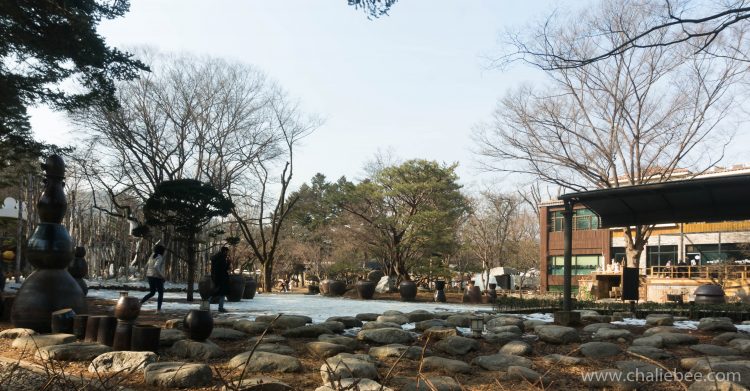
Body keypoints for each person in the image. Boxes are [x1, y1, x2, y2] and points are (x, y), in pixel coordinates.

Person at [140, 244, 166, 312]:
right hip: (156, 277)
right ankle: (158, 310)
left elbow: (146, 265)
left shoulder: (152, 255)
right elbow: (156, 267)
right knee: (160, 293)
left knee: (152, 292)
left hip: (149, 276)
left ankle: (140, 303)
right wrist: (162, 276)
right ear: (162, 251)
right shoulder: (159, 257)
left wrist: (146, 273)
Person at [210, 247, 230, 313]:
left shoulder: (216, 258)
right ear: (224, 251)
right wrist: (228, 263)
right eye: (227, 252)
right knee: (221, 293)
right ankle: (220, 308)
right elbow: (223, 268)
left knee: (216, 293)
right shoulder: (222, 258)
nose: (227, 253)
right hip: (222, 279)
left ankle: (205, 304)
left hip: (217, 278)